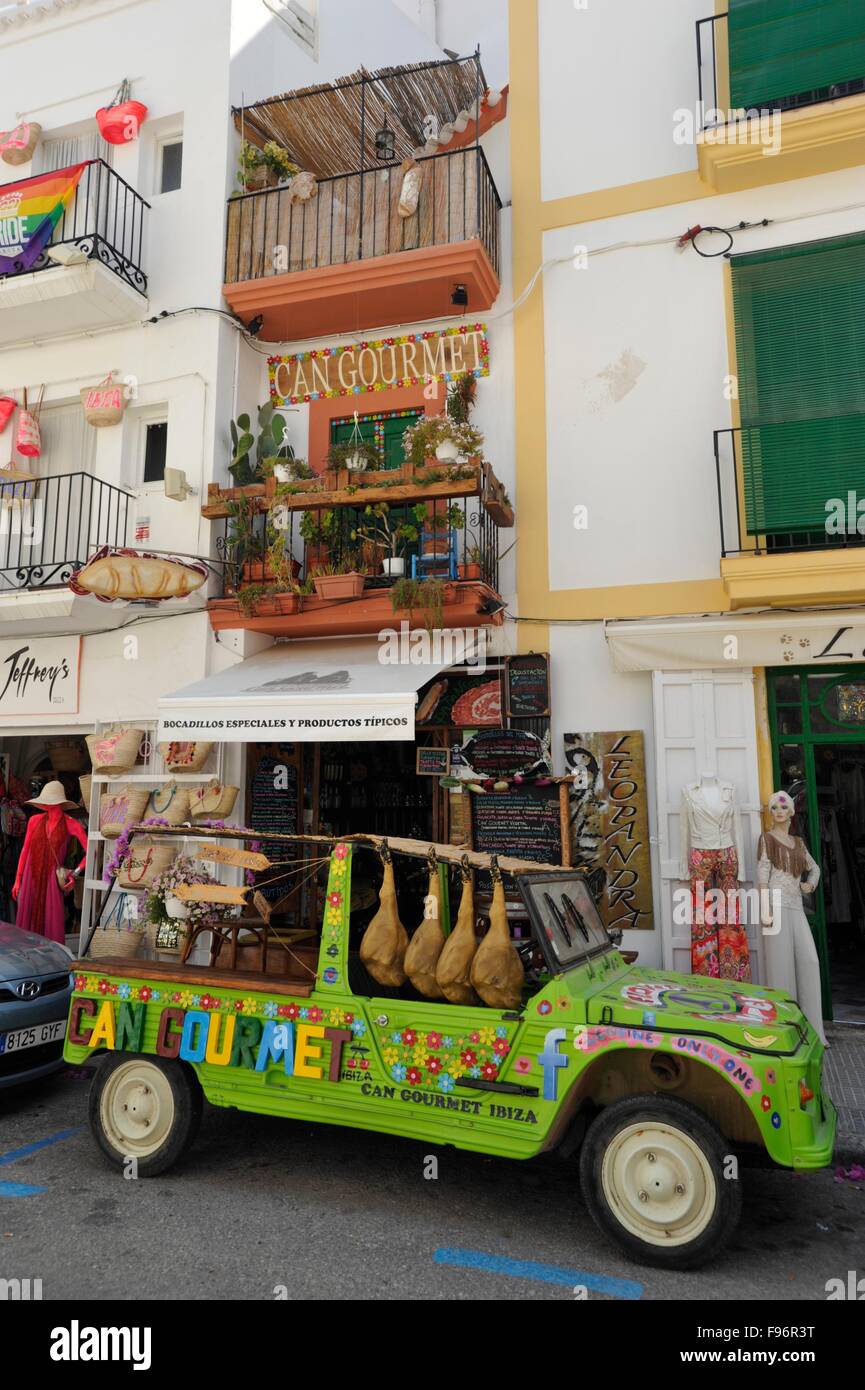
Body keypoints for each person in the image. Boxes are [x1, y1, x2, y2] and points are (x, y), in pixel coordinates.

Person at [757, 789, 826, 1043]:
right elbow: (763, 875)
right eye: (774, 808)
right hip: (774, 904)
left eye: (783, 808)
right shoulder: (766, 839)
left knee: (809, 961)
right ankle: (784, 1030)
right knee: (780, 967)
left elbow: (814, 867)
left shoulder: (798, 843)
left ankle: (812, 1029)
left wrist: (811, 884)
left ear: (792, 812)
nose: (778, 812)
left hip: (796, 905)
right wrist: (765, 909)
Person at [11, 781, 87, 943]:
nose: (50, 806)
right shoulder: (34, 820)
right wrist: (18, 880)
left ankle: (52, 961)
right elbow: (25, 850)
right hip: (31, 876)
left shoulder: (71, 823)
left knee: (52, 921)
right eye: (48, 802)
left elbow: (91, 852)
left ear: (61, 803)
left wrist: (74, 872)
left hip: (52, 879)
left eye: (54, 802)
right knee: (27, 919)